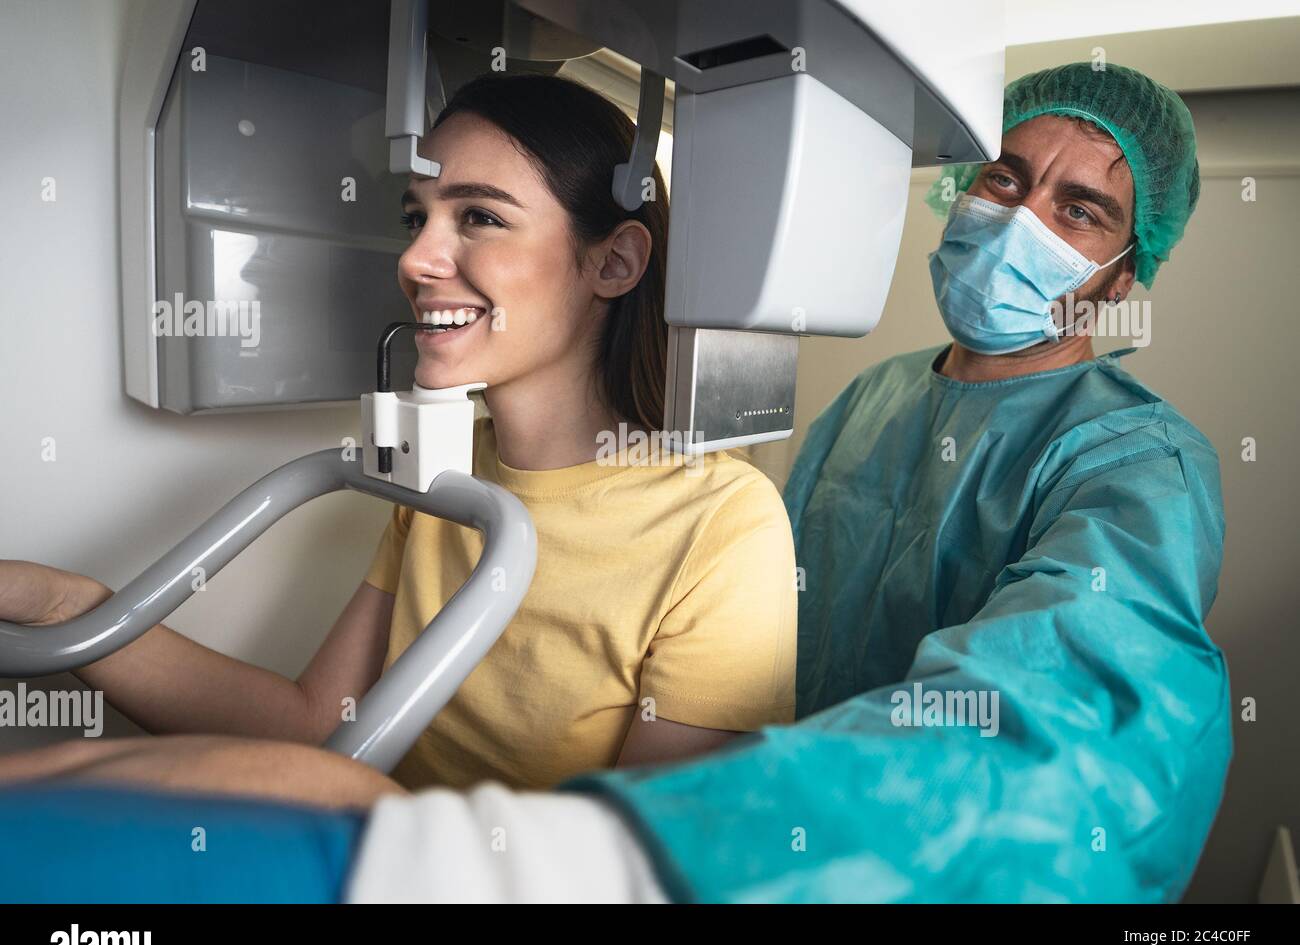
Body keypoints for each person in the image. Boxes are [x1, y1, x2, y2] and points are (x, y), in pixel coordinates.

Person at [0, 72, 797, 792]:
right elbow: (319, 726)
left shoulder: (723, 527)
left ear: (614, 264)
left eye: (479, 216)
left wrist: (374, 807)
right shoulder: (445, 476)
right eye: (417, 217)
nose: (416, 258)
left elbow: (635, 868)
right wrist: (68, 607)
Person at [563, 62, 1232, 902]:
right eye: (1005, 179)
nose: (1020, 220)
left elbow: (1049, 723)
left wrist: (639, 848)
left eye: (1078, 211)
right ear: (962, 188)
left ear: (1125, 276)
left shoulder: (1137, 463)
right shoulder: (871, 396)